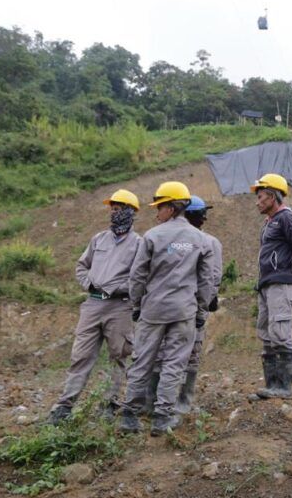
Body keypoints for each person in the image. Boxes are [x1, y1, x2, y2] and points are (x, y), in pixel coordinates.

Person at [118, 181, 214, 436]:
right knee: (174, 363)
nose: (156, 212)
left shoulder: (152, 236)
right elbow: (206, 280)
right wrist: (201, 308)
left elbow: (138, 276)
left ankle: (130, 416)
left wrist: (137, 303)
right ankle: (162, 417)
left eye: (160, 206)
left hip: (154, 310)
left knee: (142, 361)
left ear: (172, 207)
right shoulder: (199, 239)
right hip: (184, 311)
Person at [47, 189, 142, 425]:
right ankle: (64, 406)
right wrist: (90, 284)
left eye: (118, 208)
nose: (113, 212)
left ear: (130, 212)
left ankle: (109, 405)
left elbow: (140, 278)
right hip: (92, 304)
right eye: (112, 208)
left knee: (119, 356)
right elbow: (81, 266)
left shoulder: (140, 244)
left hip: (120, 307)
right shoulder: (98, 239)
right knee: (80, 356)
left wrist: (118, 288)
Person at [145, 195, 222, 415]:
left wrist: (202, 307)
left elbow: (212, 279)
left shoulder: (207, 242)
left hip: (187, 306)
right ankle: (164, 403)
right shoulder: (192, 240)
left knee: (182, 355)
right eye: (201, 214)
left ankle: (177, 402)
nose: (204, 218)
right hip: (184, 306)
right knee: (171, 355)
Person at [250, 173, 292, 399]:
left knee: (281, 332)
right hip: (266, 285)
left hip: (281, 283)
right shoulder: (269, 223)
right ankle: (272, 386)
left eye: (261, 196)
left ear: (273, 196)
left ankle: (284, 388)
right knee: (266, 333)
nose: (258, 201)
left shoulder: (286, 218)